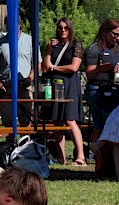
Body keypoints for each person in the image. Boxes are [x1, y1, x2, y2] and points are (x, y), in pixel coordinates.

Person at [42, 17, 86, 166]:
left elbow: (74, 67)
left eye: (66, 28)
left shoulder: (76, 44)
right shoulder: (53, 45)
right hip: (54, 84)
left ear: (70, 29)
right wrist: (48, 49)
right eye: (60, 27)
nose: (62, 30)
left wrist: (55, 67)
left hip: (70, 85)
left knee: (70, 119)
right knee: (57, 121)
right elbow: (45, 66)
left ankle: (81, 156)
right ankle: (62, 158)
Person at [0, 13, 41, 129]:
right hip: (6, 86)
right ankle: (10, 144)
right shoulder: (0, 44)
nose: (12, 27)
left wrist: (30, 78)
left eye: (15, 24)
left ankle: (26, 146)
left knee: (26, 121)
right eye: (9, 24)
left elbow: (37, 63)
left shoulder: (30, 41)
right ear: (6, 25)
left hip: (24, 86)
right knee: (8, 123)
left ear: (20, 24)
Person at [84, 18, 119, 146]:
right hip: (97, 89)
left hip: (115, 88)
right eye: (115, 34)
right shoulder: (94, 49)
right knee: (99, 123)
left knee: (113, 123)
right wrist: (100, 69)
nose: (117, 38)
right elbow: (89, 73)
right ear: (105, 32)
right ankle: (95, 152)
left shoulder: (118, 49)